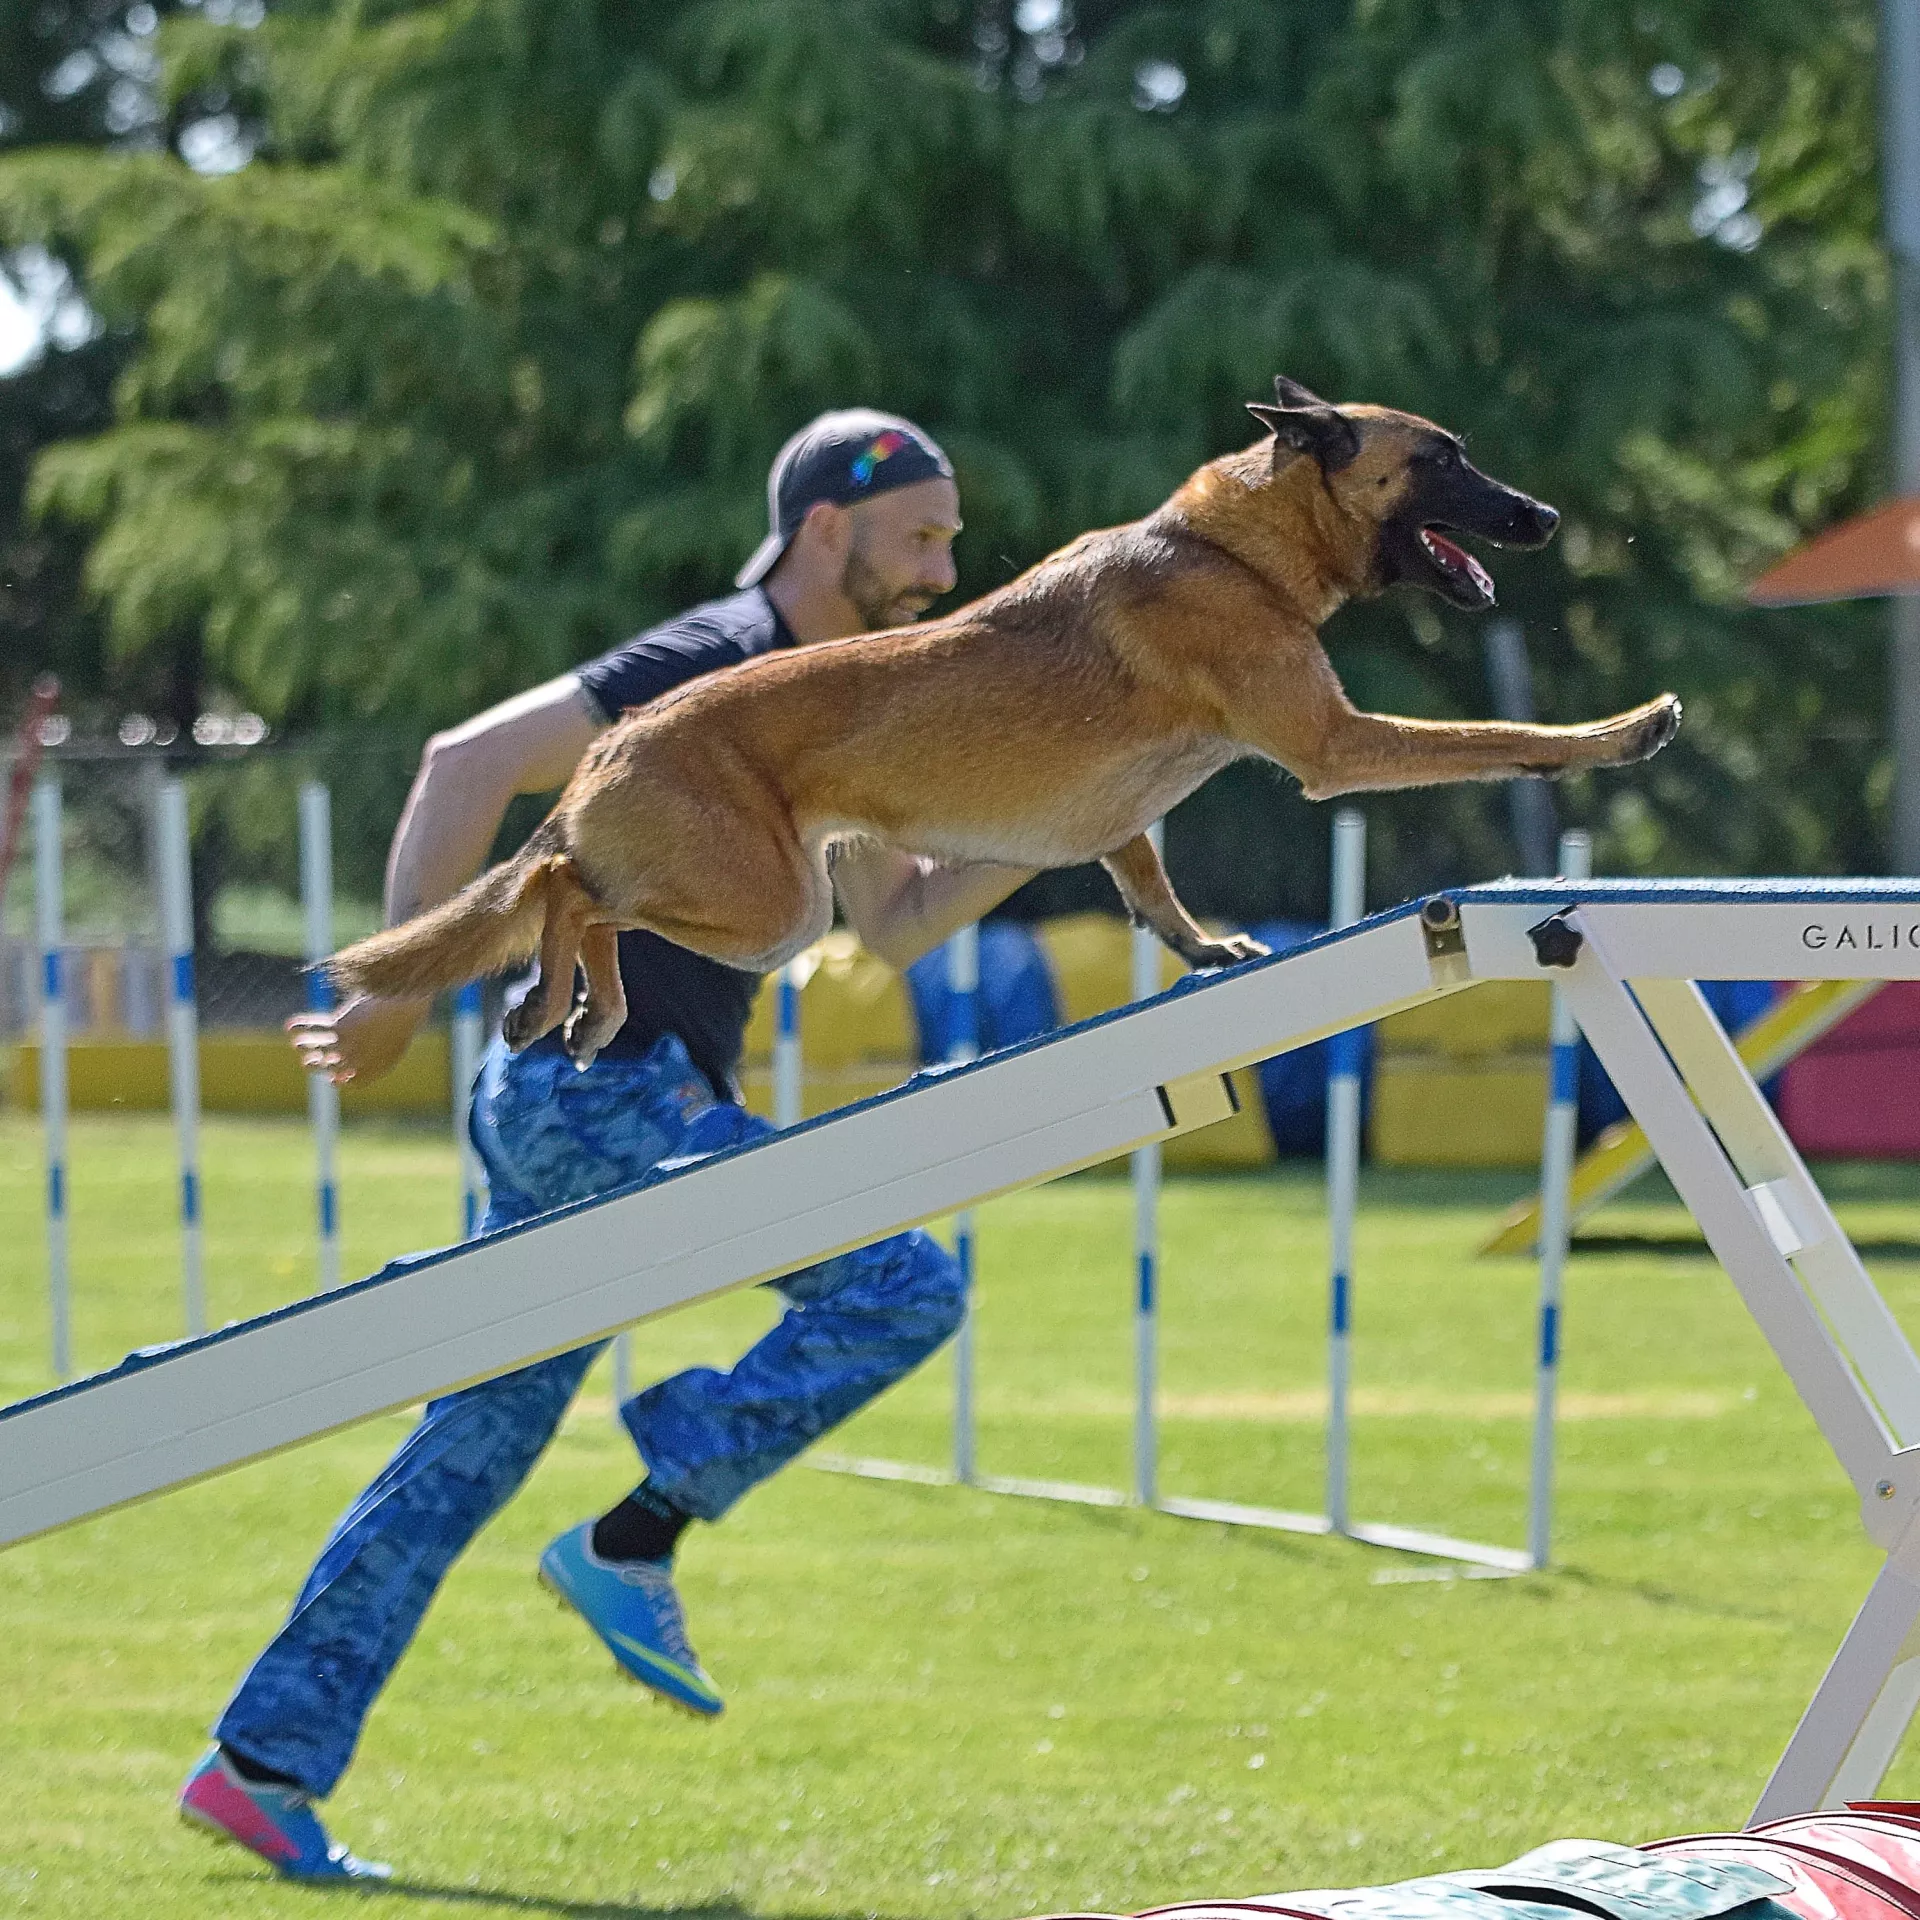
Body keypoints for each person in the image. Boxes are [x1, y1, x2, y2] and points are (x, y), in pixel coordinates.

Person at [178, 411, 1028, 1881]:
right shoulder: (705, 661)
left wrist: (1089, 806)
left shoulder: (841, 702)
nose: (945, 574)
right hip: (601, 1093)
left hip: (580, 1098)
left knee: (468, 1449)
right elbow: (466, 763)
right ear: (829, 528)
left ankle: (261, 1765)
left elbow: (894, 920)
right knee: (903, 1287)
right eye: (922, 541)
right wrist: (389, 985)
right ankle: (640, 1527)